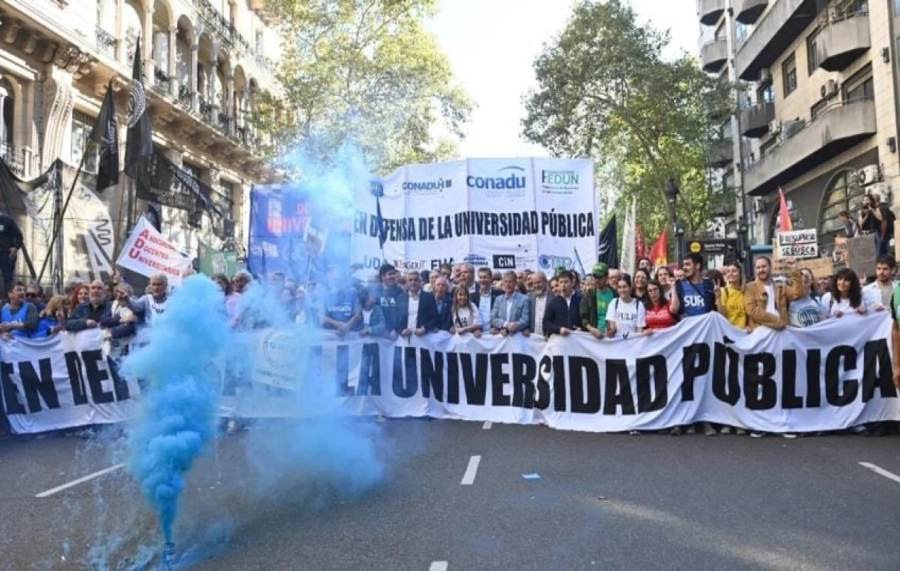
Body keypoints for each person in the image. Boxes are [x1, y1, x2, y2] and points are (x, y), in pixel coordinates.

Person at [743, 257, 805, 331]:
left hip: (781, 333)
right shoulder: (750, 288)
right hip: (761, 333)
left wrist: (795, 271)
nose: (761, 270)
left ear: (770, 267)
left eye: (764, 266)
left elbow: (798, 293)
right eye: (758, 268)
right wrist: (777, 322)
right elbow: (752, 311)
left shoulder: (780, 287)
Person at [671, 253, 717, 318]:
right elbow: (674, 310)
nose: (684, 268)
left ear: (697, 266)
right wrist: (673, 287)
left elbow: (716, 309)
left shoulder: (710, 284)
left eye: (687, 264)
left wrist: (718, 297)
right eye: (684, 265)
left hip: (705, 323)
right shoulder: (679, 285)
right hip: (687, 323)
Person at [580, 262, 617, 338]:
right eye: (595, 277)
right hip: (593, 337)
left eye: (600, 277)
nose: (597, 280)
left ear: (606, 277)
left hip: (612, 337)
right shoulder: (589, 294)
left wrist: (614, 327)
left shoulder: (615, 294)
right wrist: (591, 329)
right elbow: (583, 317)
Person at [542, 270, 583, 336]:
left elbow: (586, 319)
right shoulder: (553, 302)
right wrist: (559, 329)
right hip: (560, 338)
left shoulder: (580, 299)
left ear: (572, 283)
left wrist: (582, 328)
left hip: (577, 337)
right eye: (561, 282)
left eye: (566, 282)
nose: (563, 285)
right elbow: (546, 323)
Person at [397, 270, 438, 336]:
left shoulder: (429, 297)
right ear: (407, 282)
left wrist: (424, 328)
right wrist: (401, 330)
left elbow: (435, 318)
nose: (413, 282)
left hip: (423, 337)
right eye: (410, 280)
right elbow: (394, 319)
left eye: (415, 280)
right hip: (404, 338)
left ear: (419, 281)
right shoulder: (400, 298)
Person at [490, 271, 530, 336]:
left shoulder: (524, 299)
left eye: (510, 282)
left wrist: (515, 326)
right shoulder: (498, 299)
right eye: (505, 281)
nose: (507, 284)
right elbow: (492, 318)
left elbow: (525, 320)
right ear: (503, 283)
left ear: (515, 283)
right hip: (502, 337)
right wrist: (506, 324)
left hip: (517, 337)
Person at [716, 262, 748, 330]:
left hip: (743, 332)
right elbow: (722, 315)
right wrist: (718, 297)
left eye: (734, 271)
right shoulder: (723, 291)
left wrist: (749, 325)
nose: (730, 273)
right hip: (728, 332)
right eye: (728, 271)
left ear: (740, 275)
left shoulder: (745, 292)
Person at [0, 211, 23, 298]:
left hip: (6, 253)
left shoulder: (7, 220)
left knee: (8, 278)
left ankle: (8, 300)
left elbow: (19, 235)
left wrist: (16, 248)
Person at [472, 267, 501, 333]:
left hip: (494, 333)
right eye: (481, 277)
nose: (482, 280)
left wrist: (498, 328)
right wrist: (474, 329)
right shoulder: (472, 297)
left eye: (485, 277)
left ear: (490, 279)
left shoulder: (499, 295)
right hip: (478, 333)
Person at [527, 271, 552, 337]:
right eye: (534, 283)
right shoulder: (529, 298)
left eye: (539, 282)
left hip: (549, 337)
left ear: (545, 282)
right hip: (533, 337)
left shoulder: (553, 297)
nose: (537, 285)